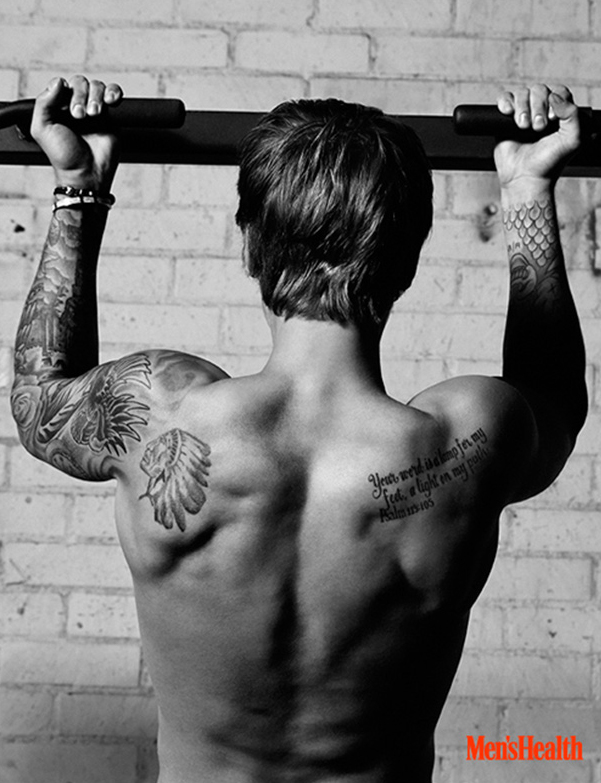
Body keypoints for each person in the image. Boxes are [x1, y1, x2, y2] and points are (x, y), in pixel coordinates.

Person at [11, 76, 587, 783]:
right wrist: (528, 192)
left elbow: (38, 395)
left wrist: (79, 190)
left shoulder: (162, 412)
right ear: (408, 261)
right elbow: (556, 398)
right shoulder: (471, 438)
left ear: (250, 247)